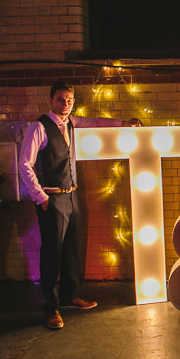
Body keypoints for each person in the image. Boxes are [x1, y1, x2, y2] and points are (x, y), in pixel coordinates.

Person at [19, 81, 142, 330]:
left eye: (70, 100)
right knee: (52, 253)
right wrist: (41, 198)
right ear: (51, 100)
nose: (66, 104)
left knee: (73, 249)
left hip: (73, 196)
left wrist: (123, 124)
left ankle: (69, 296)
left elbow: (96, 122)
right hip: (52, 198)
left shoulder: (73, 122)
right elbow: (24, 165)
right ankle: (50, 308)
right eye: (61, 100)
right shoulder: (38, 127)